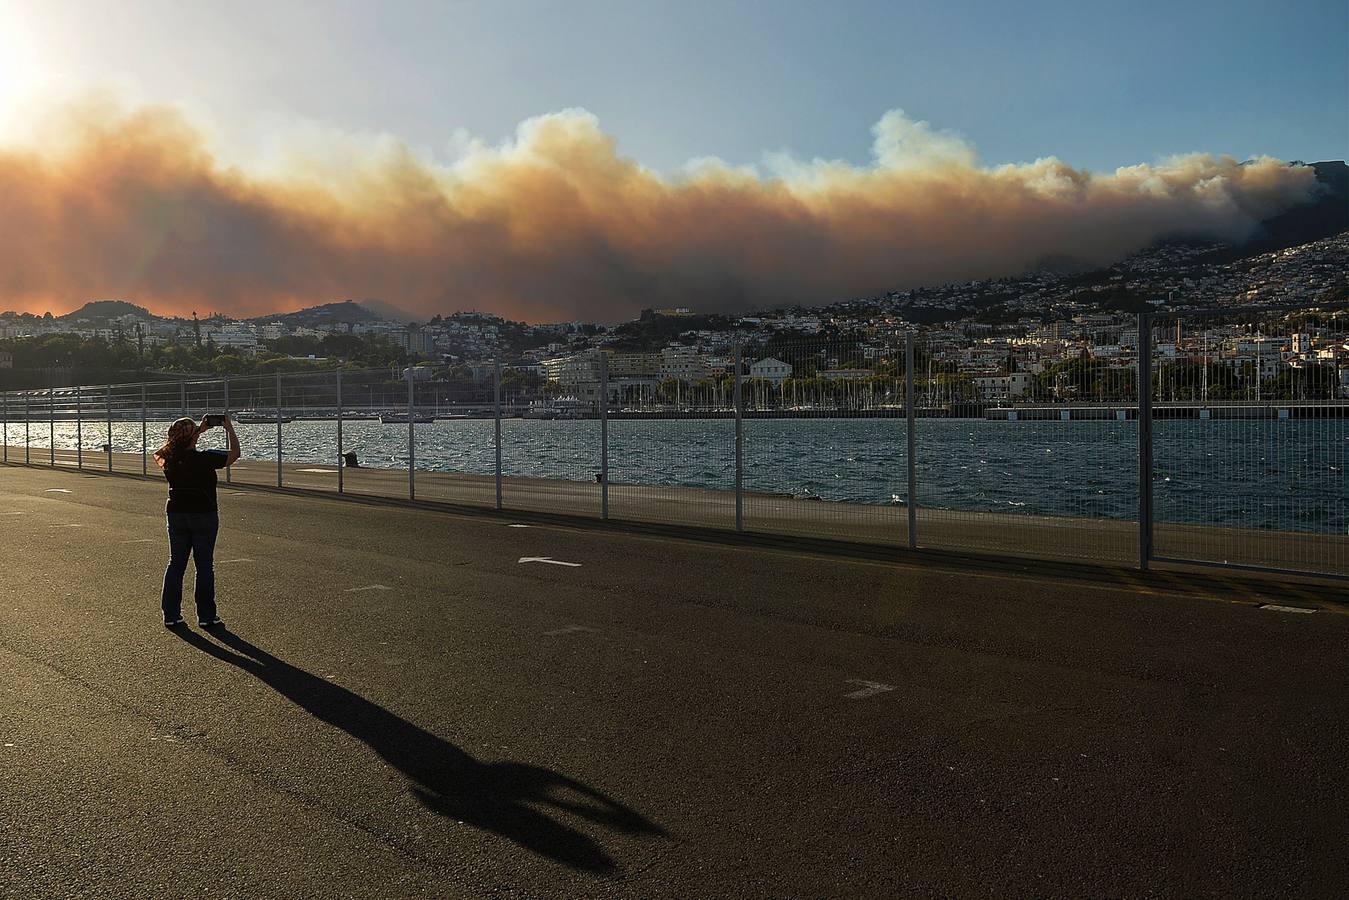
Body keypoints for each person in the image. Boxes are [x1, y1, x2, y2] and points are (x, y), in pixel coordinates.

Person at [154, 415, 241, 628]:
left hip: (176, 513)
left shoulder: (167, 458)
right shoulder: (205, 458)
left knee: (176, 563)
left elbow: (174, 446)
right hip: (203, 513)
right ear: (193, 437)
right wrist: (228, 428)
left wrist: (197, 431)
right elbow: (235, 454)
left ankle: (171, 614)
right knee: (204, 566)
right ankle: (206, 616)